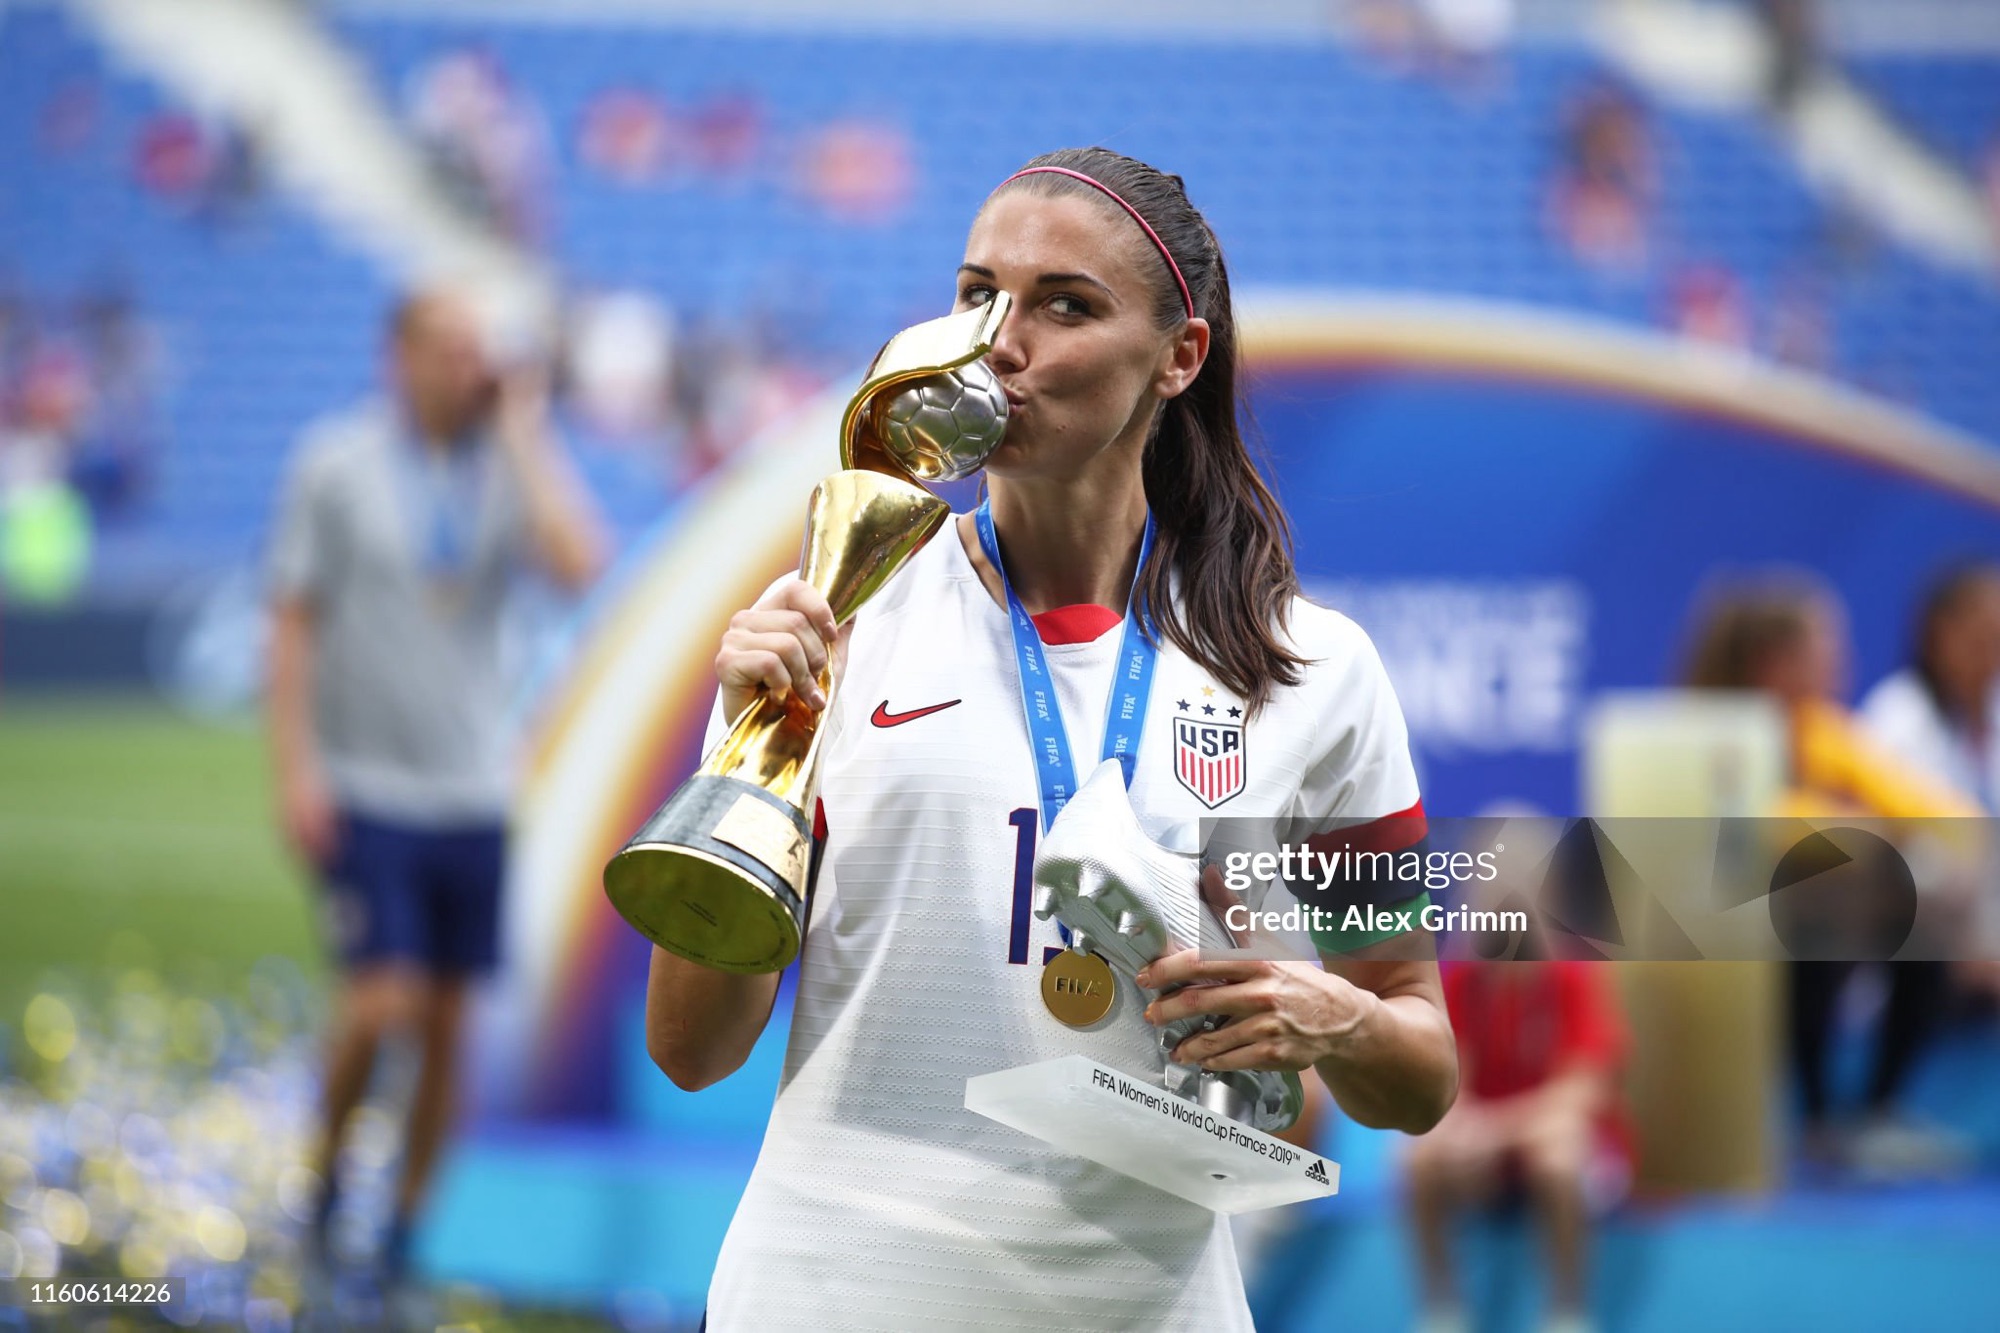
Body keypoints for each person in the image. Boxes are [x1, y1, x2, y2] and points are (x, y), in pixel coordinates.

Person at [646, 147, 1459, 1330]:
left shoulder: (1314, 671)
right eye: (977, 294)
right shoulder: (838, 613)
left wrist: (1331, 1016)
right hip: (826, 1294)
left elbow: (1419, 1065)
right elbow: (691, 1046)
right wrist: (747, 752)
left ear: (1178, 355)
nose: (997, 339)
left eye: (1062, 305)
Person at [266, 289, 605, 1283]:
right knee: (382, 1005)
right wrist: (297, 770)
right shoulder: (336, 465)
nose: (470, 368)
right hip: (368, 786)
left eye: (480, 351)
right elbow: (290, 622)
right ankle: (328, 1182)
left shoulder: (506, 462)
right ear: (399, 355)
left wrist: (527, 431)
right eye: (451, 350)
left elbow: (581, 562)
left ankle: (405, 1229)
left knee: (451, 1027)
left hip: (473, 791)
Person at [1680, 574, 1980, 1179]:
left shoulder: (1821, 732)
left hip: (1794, 923)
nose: (1844, 662)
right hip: (1700, 934)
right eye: (1827, 649)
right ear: (1775, 664)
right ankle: (1812, 1116)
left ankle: (1876, 1111)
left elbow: (1933, 808)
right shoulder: (1712, 733)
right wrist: (1861, 829)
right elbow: (1753, 824)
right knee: (1838, 889)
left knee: (1922, 900)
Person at [1407, 960, 1631, 1333]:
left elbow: (1581, 1095)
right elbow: (1446, 1082)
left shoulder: (1574, 978)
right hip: (1490, 1156)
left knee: (1558, 1156)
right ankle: (1442, 1313)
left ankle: (1568, 1314)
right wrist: (1460, 1131)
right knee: (1417, 1158)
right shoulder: (1462, 980)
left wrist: (1494, 1133)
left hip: (1561, 1150)